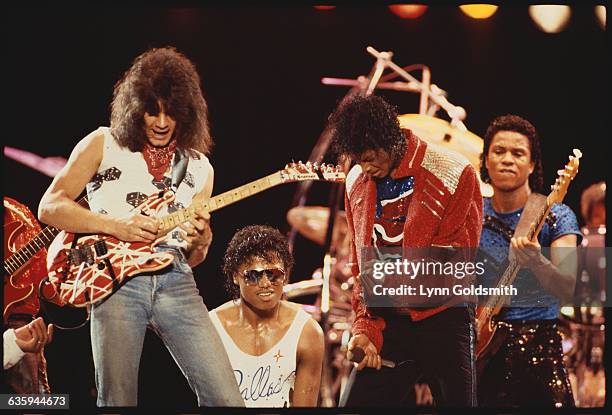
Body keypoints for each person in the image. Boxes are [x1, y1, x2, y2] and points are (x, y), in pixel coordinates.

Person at [38, 47, 243, 407]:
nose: (161, 122)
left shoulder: (201, 168)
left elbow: (194, 258)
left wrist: (202, 240)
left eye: (171, 112)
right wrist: (115, 225)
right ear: (136, 107)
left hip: (175, 278)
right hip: (115, 279)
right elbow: (49, 206)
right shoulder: (102, 142)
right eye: (152, 110)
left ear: (187, 112)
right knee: (117, 401)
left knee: (226, 400)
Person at [331, 94, 483, 407]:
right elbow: (362, 266)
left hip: (445, 317)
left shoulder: (454, 171)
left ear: (392, 140)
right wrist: (365, 327)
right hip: (391, 323)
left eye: (371, 157)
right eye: (358, 160)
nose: (366, 167)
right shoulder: (356, 181)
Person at [476, 114, 581, 407]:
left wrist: (537, 261)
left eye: (518, 153)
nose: (507, 159)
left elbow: (568, 287)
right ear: (485, 161)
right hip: (480, 358)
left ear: (532, 164)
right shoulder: (471, 214)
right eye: (499, 151)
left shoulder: (556, 216)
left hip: (539, 359)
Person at [209, 225, 324, 407]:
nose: (265, 284)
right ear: (235, 277)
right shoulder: (211, 329)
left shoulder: (307, 333)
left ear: (285, 276)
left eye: (274, 275)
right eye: (254, 276)